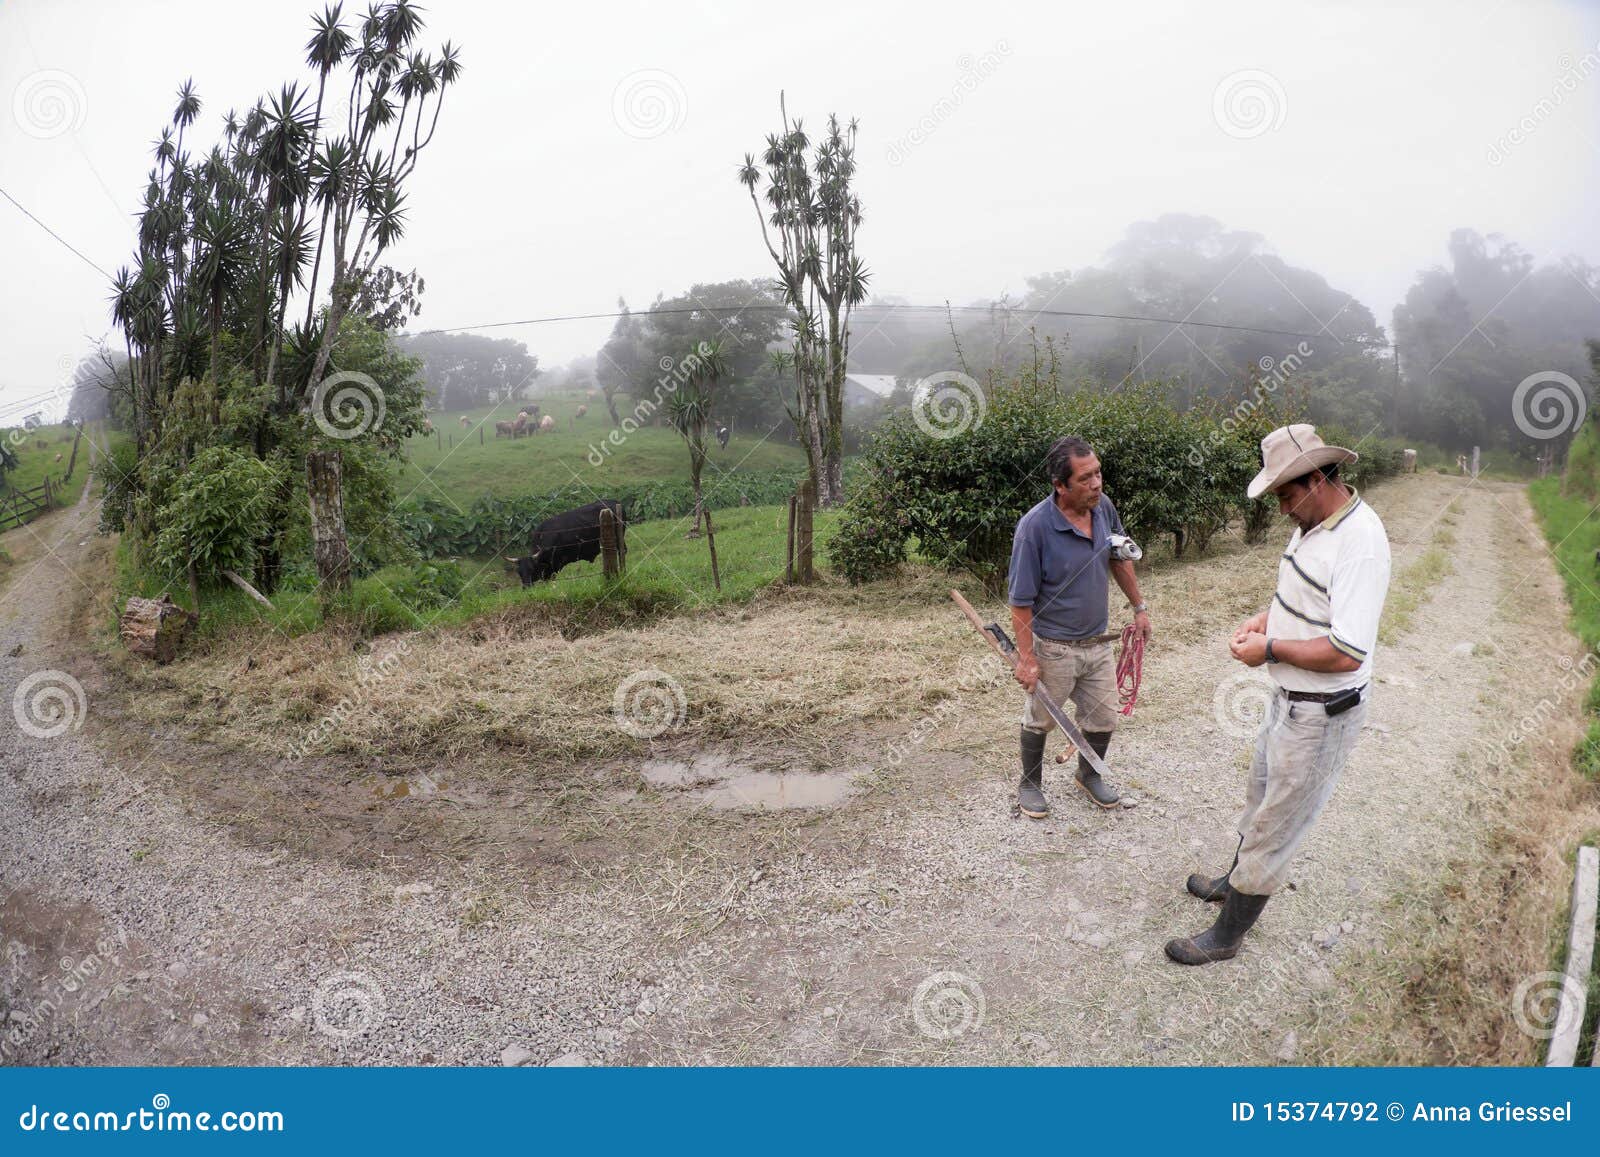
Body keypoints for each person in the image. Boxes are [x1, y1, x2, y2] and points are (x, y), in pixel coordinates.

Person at [1166, 424, 1391, 965]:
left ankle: (1226, 937)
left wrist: (1269, 648)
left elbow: (1346, 651)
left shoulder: (1361, 544)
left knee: (1278, 822)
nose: (1284, 509)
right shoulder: (1313, 525)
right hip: (1288, 699)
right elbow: (1303, 598)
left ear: (1317, 479)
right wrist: (1266, 619)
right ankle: (1233, 879)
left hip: (1322, 712)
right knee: (1260, 796)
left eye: (1287, 495)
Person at [1007, 436, 1152, 819]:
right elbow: (1020, 602)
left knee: (1104, 717)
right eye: (1086, 478)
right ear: (1060, 484)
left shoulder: (1103, 508)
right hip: (1054, 646)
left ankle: (1088, 776)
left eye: (1098, 473)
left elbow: (1119, 557)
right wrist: (1026, 658)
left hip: (1099, 642)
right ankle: (1030, 784)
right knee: (1040, 719)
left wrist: (1139, 607)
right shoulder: (1034, 528)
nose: (1097, 484)